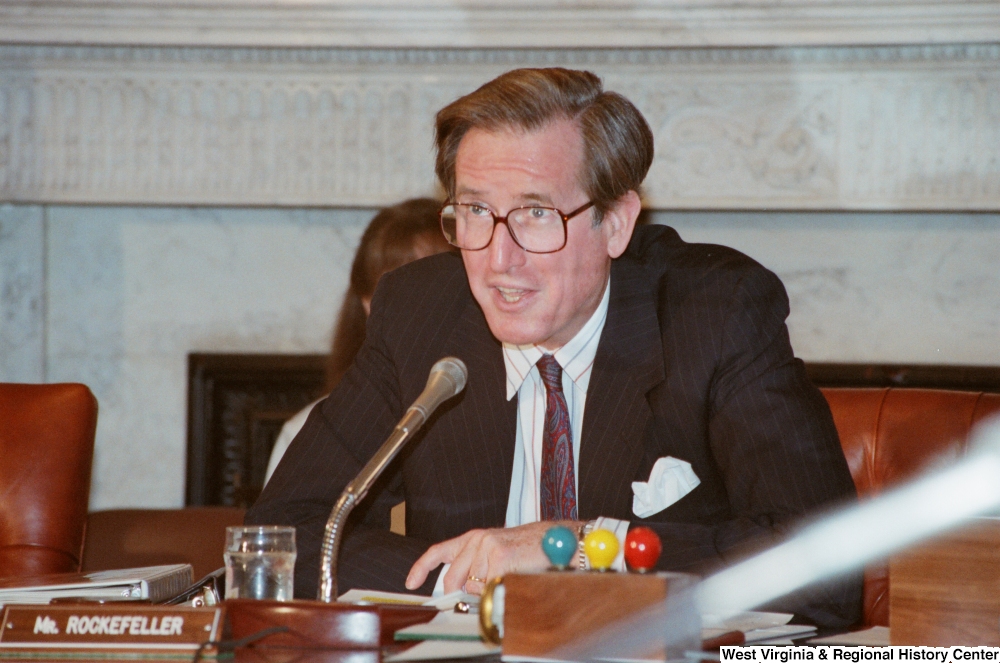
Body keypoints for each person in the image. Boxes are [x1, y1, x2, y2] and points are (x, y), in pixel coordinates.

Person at [248, 68, 862, 627]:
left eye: (536, 214)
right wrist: (485, 585)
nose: (498, 258)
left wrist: (579, 550)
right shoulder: (420, 315)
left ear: (616, 222)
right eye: (476, 211)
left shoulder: (715, 313)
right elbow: (290, 534)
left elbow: (825, 566)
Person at [264, 198, 452, 484]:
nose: (420, 311)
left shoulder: (516, 414)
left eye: (434, 291)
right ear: (368, 305)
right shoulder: (312, 432)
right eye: (401, 292)